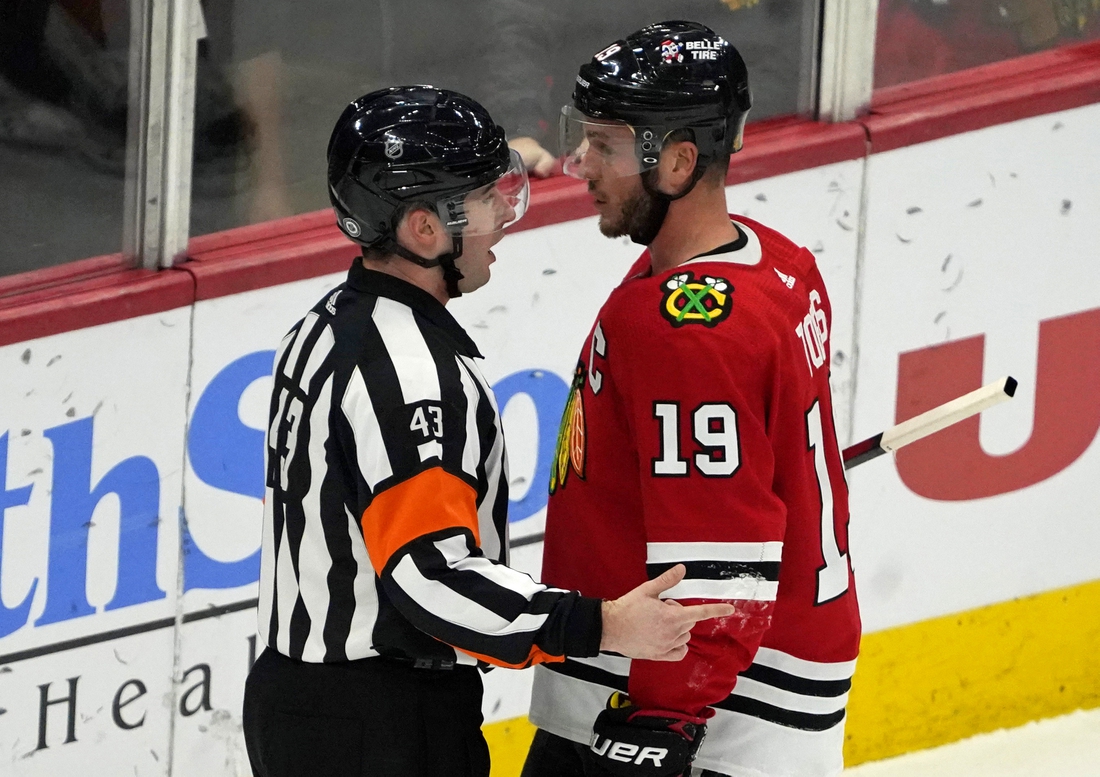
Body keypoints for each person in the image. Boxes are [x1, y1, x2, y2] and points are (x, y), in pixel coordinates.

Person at [240, 85, 736, 777]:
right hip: (377, 726)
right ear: (422, 229)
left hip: (304, 702)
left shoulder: (327, 323)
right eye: (481, 197)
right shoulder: (411, 376)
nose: (504, 212)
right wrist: (599, 625)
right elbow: (432, 576)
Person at [521, 21, 861, 777]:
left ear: (676, 160)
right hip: (743, 695)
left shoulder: (687, 328)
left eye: (605, 145)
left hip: (701, 714)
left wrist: (661, 719)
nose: (581, 162)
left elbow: (718, 565)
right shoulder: (779, 262)